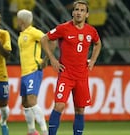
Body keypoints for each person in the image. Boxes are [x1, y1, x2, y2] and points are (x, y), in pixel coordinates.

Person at [40, 1, 102, 135]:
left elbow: (98, 44)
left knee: (80, 110)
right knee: (59, 106)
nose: (79, 12)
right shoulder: (63, 28)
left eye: (82, 10)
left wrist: (93, 60)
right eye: (76, 10)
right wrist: (52, 58)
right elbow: (44, 39)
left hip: (82, 76)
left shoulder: (91, 31)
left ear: (87, 14)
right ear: (72, 12)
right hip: (66, 74)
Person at [16, 9, 55, 135]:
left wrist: (46, 59)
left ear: (21, 20)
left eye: (17, 18)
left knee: (32, 101)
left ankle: (45, 131)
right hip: (24, 72)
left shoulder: (33, 32)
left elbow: (52, 40)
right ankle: (32, 131)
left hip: (33, 70)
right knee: (25, 103)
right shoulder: (22, 34)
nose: (16, 21)